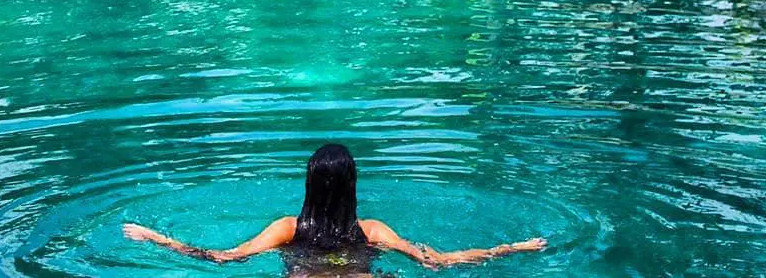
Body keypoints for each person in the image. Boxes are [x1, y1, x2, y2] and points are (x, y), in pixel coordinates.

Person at [123, 144, 546, 273]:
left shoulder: (288, 229)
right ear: (352, 186)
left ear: (309, 182)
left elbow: (222, 258)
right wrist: (512, 248)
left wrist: (156, 237)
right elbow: (436, 262)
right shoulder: (373, 232)